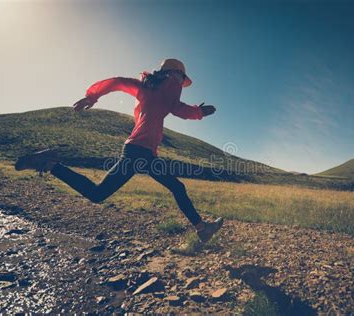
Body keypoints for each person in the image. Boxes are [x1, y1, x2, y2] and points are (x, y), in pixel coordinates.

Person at [15, 58, 223, 248]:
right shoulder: (167, 88)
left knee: (172, 187)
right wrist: (199, 112)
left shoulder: (148, 89)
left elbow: (117, 82)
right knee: (100, 193)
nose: (180, 82)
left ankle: (202, 229)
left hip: (143, 153)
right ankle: (50, 164)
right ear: (171, 74)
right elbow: (180, 108)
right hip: (139, 153)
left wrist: (92, 96)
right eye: (180, 77)